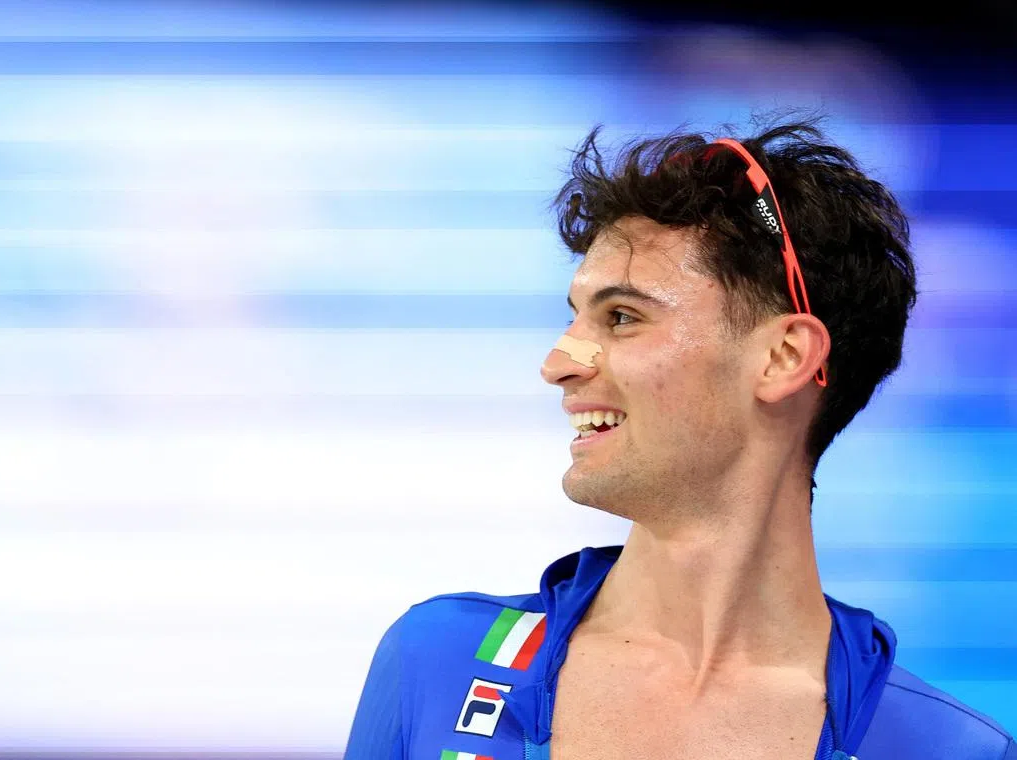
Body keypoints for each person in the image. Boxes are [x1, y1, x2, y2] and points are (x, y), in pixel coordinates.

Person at [342, 115, 1016, 760]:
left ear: (783, 358)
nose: (559, 363)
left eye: (624, 316)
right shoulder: (434, 664)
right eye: (577, 315)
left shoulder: (948, 747)